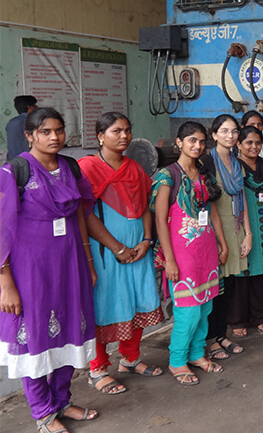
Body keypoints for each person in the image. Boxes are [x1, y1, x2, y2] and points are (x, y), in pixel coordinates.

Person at [0, 107, 97, 432]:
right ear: (29, 136)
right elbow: (1, 231)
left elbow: (79, 214)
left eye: (58, 130)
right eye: (45, 132)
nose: (54, 137)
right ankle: (42, 412)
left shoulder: (70, 167)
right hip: (31, 270)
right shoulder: (14, 171)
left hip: (69, 264)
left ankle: (62, 402)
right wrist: (6, 283)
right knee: (36, 337)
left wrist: (87, 260)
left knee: (72, 329)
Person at [80, 113, 164, 396]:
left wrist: (147, 240)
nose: (124, 136)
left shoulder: (135, 169)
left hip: (138, 250)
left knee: (140, 301)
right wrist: (117, 247)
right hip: (106, 253)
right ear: (100, 136)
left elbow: (144, 207)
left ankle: (130, 359)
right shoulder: (87, 169)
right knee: (106, 307)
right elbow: (85, 215)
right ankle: (98, 368)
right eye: (116, 131)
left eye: (128, 130)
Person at [151, 122, 228, 385]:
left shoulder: (204, 172)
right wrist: (169, 260)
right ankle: (177, 361)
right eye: (192, 140)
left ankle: (197, 354)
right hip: (181, 253)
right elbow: (160, 220)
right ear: (179, 142)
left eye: (201, 141)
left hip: (205, 250)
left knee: (205, 307)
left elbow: (212, 211)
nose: (197, 146)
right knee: (188, 310)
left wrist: (222, 243)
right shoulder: (167, 175)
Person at [204, 115, 251, 359]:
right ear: (214, 135)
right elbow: (208, 204)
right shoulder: (206, 163)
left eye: (234, 131)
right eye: (224, 131)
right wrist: (220, 242)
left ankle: (221, 335)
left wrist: (249, 234)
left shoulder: (237, 163)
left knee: (229, 284)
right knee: (215, 287)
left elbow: (243, 200)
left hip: (236, 229)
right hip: (215, 232)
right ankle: (211, 340)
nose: (230, 136)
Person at [229, 126, 263, 336]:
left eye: (258, 143)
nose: (254, 147)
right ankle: (238, 319)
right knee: (242, 273)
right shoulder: (233, 168)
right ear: (238, 144)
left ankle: (259, 316)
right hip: (242, 227)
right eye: (248, 142)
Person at [5, 95, 37, 159]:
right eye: (35, 105)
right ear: (30, 108)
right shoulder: (33, 122)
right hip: (28, 161)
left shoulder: (11, 122)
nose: (37, 107)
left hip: (13, 161)